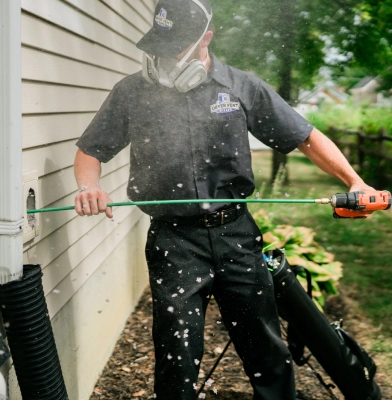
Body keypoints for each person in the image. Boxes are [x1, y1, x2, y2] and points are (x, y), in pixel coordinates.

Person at [74, 0, 374, 398]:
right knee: (175, 353)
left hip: (235, 234)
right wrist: (88, 186)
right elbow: (90, 150)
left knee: (266, 349)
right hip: (174, 241)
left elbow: (305, 136)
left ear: (206, 40)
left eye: (176, 46)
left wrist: (354, 181)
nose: (163, 57)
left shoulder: (241, 87)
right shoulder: (131, 92)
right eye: (158, 46)